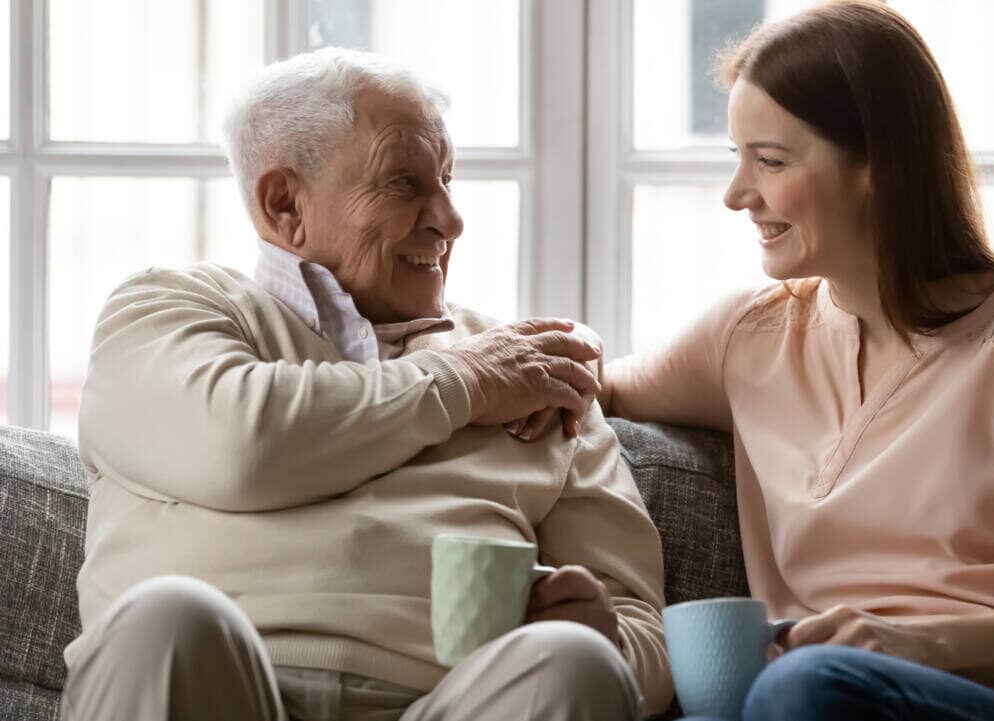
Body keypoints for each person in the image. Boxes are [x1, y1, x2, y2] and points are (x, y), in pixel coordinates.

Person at [527, 3, 994, 720]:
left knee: (806, 686)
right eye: (737, 158)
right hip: (810, 700)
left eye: (770, 160)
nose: (736, 195)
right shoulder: (752, 335)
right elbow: (598, 377)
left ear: (878, 166)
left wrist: (913, 644)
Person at [60, 48, 671, 721]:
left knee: (575, 662)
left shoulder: (529, 372)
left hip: (451, 703)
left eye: (447, 179)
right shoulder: (166, 310)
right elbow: (242, 448)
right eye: (405, 183)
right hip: (212, 688)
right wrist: (465, 381)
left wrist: (606, 633)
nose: (450, 217)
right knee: (165, 621)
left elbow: (648, 632)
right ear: (284, 203)